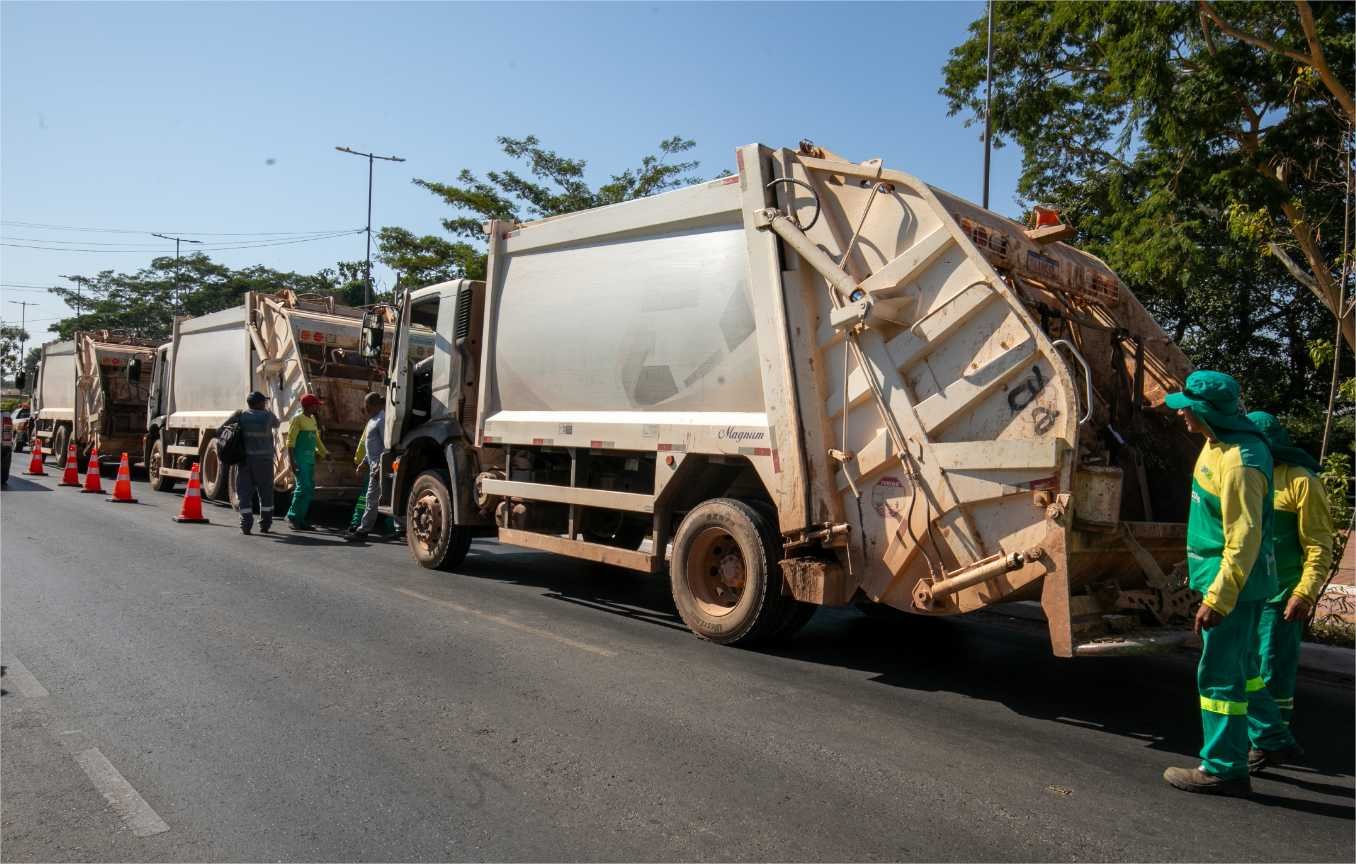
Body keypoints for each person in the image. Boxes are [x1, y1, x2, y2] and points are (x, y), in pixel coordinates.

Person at [1161, 370, 1278, 798]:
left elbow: (1243, 538)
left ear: (1206, 411)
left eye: (1187, 409)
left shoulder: (1242, 462)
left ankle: (1223, 768)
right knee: (1244, 667)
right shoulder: (1220, 444)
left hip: (1234, 585)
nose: (1182, 416)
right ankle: (1272, 738)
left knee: (1219, 678)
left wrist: (1218, 598)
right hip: (1238, 581)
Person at [1244, 411, 1334, 772]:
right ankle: (1263, 736)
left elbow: (1319, 544)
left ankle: (1267, 741)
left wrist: (1306, 592)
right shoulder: (1247, 476)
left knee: (1272, 671)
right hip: (1246, 593)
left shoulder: (1301, 482)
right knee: (1244, 667)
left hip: (1282, 596)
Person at [222, 391, 280, 536]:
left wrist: (235, 415)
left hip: (246, 461)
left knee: (244, 493)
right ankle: (265, 525)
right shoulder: (267, 416)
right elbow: (277, 423)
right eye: (264, 402)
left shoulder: (242, 416)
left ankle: (245, 525)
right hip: (265, 462)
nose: (265, 404)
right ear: (260, 403)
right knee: (266, 493)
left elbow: (221, 430)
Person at [285, 393, 329, 530]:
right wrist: (293, 463)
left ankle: (300, 518)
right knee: (302, 488)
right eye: (316, 405)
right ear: (310, 406)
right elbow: (290, 443)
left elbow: (316, 439)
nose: (318, 408)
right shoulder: (297, 419)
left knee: (309, 489)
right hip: (300, 460)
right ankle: (292, 516)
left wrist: (324, 453)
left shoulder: (312, 420)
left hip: (309, 460)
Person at [347, 392, 386, 541]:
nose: (365, 408)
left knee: (371, 499)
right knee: (375, 499)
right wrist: (364, 463)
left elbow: (386, 446)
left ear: (375, 405)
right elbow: (371, 447)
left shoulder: (381, 420)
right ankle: (400, 529)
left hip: (378, 468)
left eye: (367, 405)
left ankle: (363, 531)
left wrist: (380, 466)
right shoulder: (372, 420)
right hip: (373, 465)